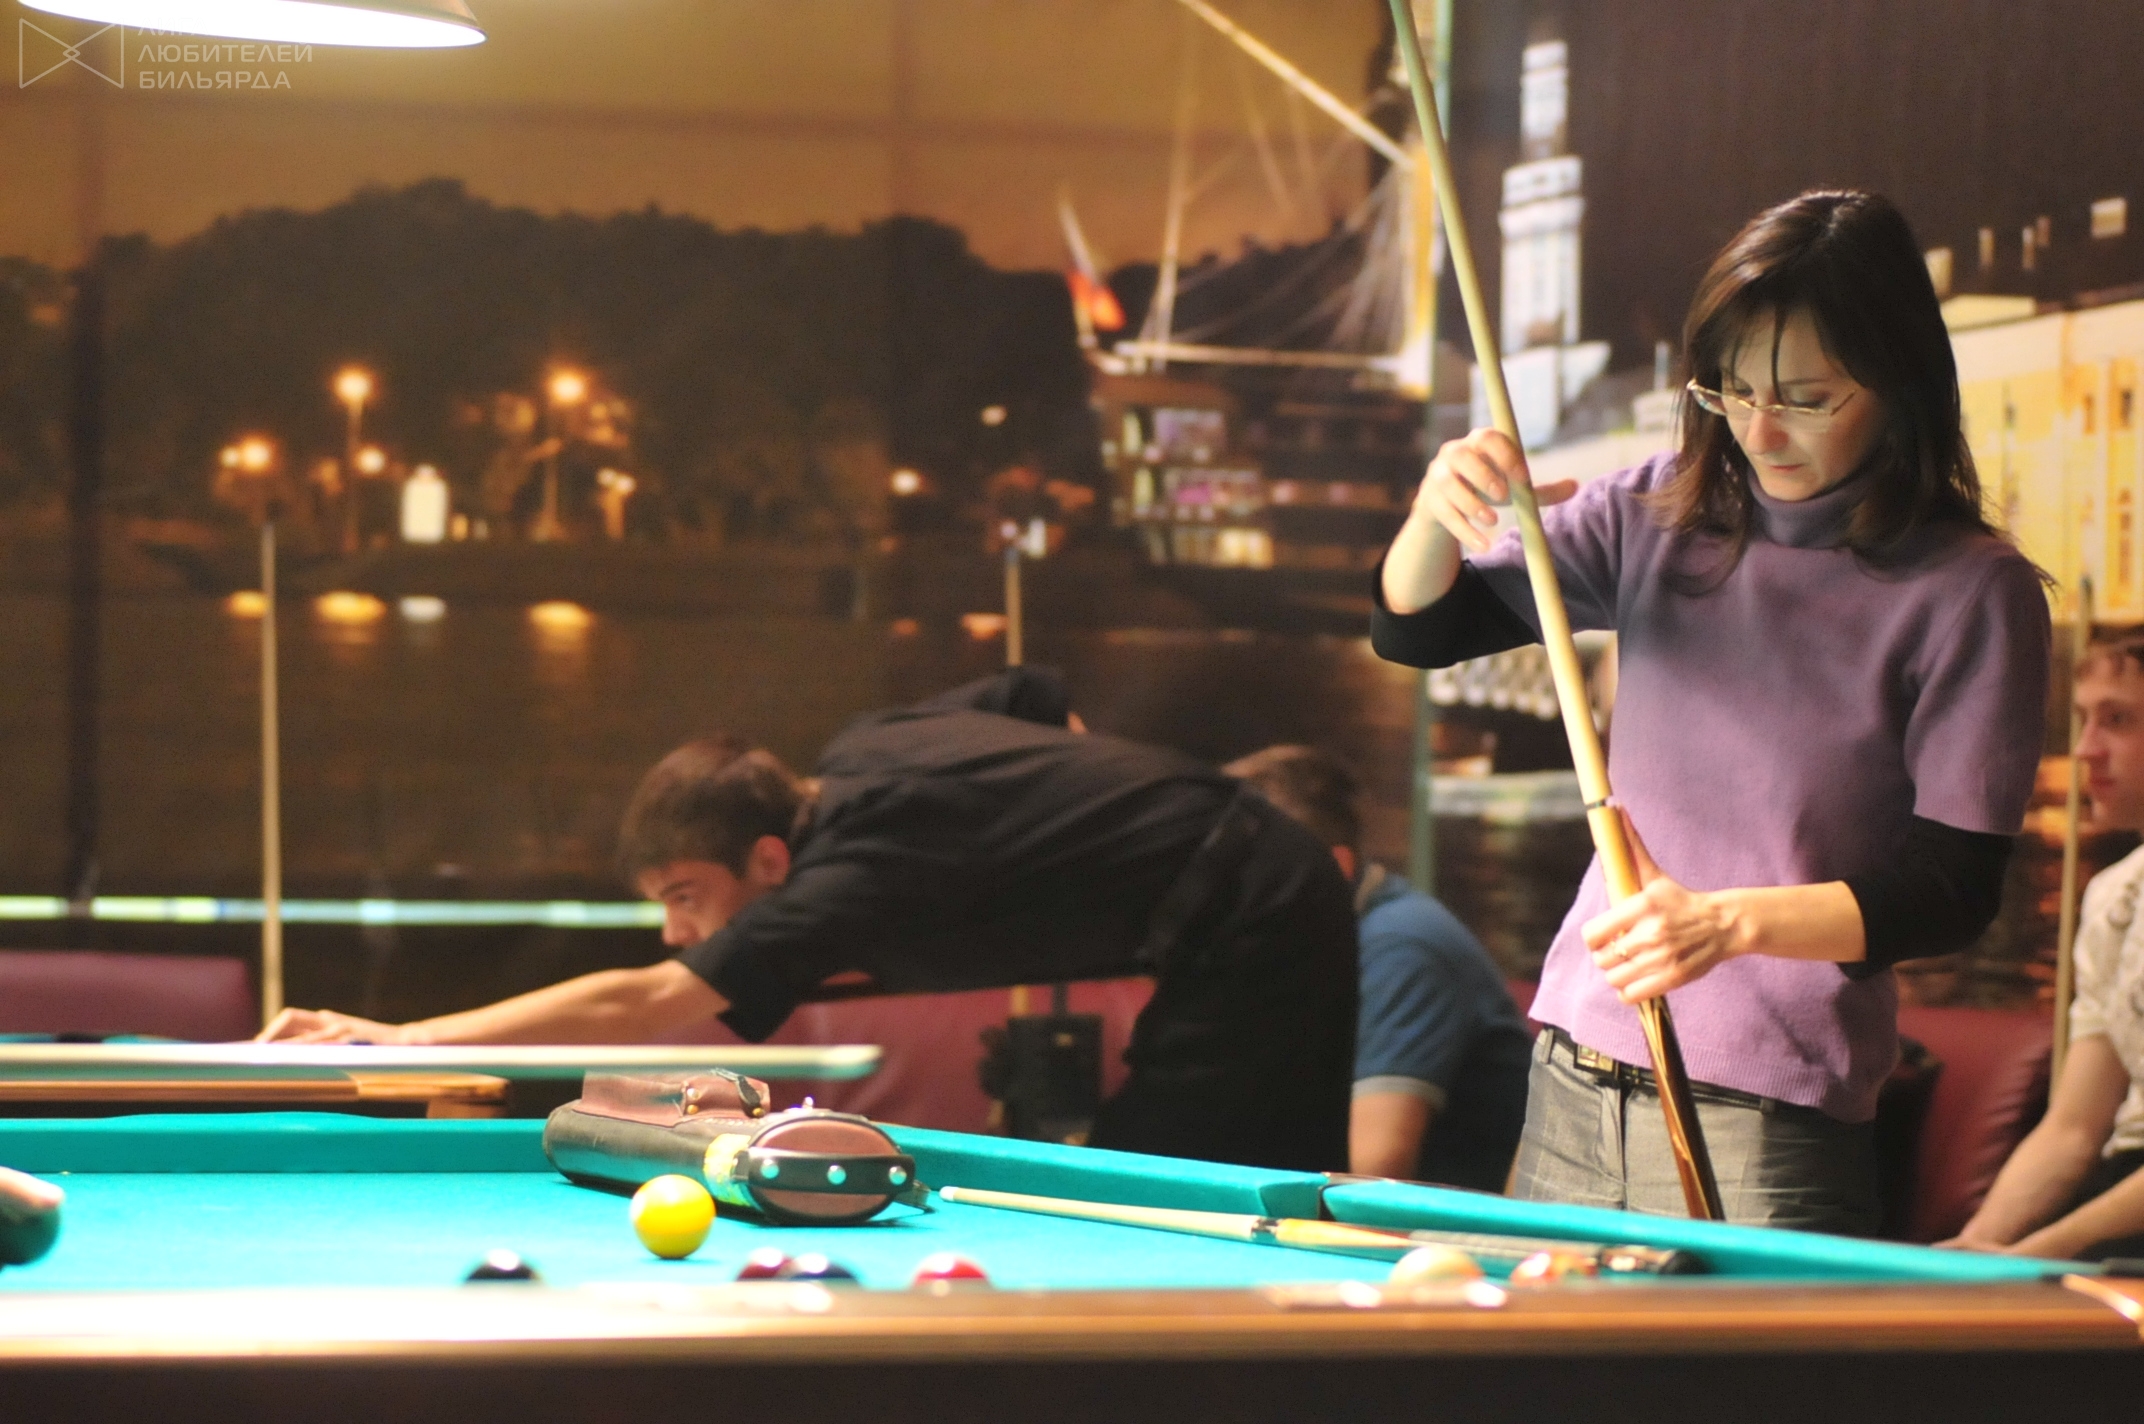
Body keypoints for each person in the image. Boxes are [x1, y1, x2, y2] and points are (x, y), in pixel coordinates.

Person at [1369, 189, 2050, 1233]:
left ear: (1899, 382)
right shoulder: (1660, 511)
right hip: (1572, 1072)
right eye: (1732, 389)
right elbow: (1418, 630)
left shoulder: (1968, 590)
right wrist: (1433, 513)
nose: (1759, 430)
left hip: (1769, 1116)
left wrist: (1726, 924)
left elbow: (1949, 890)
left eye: (1806, 398)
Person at [259, 667, 1360, 1174]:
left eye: (686, 896)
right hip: (1235, 902)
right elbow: (1025, 697)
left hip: (1257, 908)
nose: (678, 931)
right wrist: (1076, 822)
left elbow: (645, 1001)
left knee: (1174, 1173)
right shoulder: (867, 745)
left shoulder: (847, 874)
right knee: (1177, 1161)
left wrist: (405, 1037)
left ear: (767, 859)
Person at [1224, 745, 1530, 1191]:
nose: (1229, 896)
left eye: (1247, 874)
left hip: (1452, 1228)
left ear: (1333, 867)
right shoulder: (1321, 937)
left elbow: (1373, 1172)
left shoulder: (1402, 946)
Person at [1948, 631, 2144, 1260]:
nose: (2086, 749)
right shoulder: (2118, 897)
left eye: (2119, 720)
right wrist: (1972, 1250)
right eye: (2084, 719)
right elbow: (2073, 1128)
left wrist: (2039, 1253)